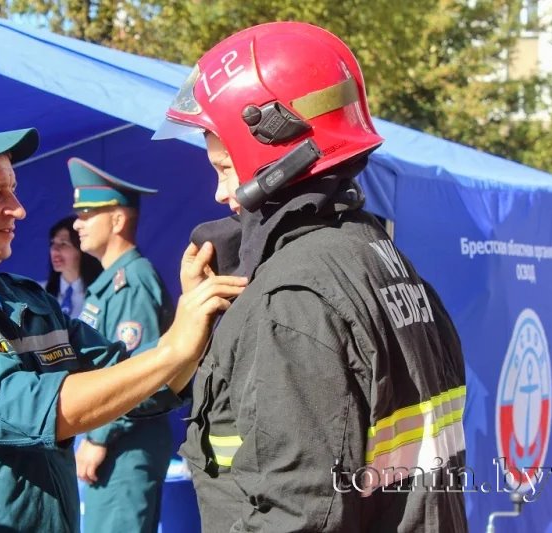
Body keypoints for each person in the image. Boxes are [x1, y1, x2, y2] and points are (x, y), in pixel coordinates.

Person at [0, 108, 247, 532]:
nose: (19, 210)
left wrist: (197, 317)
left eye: (14, 191)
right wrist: (172, 348)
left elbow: (133, 382)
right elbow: (26, 408)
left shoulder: (29, 303)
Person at [154, 22, 468, 532]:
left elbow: (300, 516)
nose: (218, 194)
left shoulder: (292, 300)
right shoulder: (381, 257)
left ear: (271, 158)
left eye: (225, 168)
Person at [66, 157, 174, 533]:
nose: (77, 223)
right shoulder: (111, 282)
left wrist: (98, 437)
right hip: (114, 439)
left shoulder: (132, 282)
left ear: (116, 220)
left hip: (124, 443)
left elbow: (139, 375)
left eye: (86, 213)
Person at [45, 215, 103, 318]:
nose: (54, 250)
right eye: (52, 243)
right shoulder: (41, 293)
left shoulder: (100, 294)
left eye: (63, 244)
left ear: (82, 249)